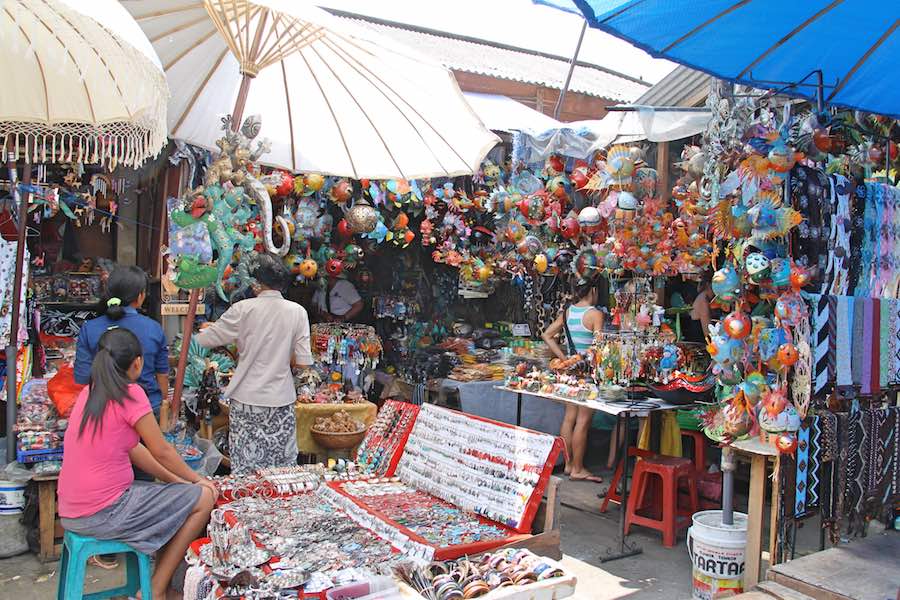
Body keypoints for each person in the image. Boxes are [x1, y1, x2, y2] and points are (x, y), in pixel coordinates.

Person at [58, 328, 216, 600]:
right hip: (104, 510)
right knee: (204, 498)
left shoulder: (91, 391)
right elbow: (162, 450)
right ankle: (156, 589)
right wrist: (197, 480)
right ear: (138, 363)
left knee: (184, 497)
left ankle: (160, 585)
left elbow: (135, 449)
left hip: (73, 510)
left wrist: (178, 481)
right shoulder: (130, 393)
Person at [195, 255, 313, 474]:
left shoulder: (243, 309)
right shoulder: (298, 312)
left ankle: (245, 507)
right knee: (281, 471)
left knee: (247, 470)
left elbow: (205, 340)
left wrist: (212, 328)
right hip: (281, 399)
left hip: (247, 399)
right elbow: (303, 363)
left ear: (256, 282)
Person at [75, 266, 169, 420]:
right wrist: (164, 407)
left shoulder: (89, 329)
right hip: (148, 408)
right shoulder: (154, 328)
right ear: (140, 296)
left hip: (103, 412)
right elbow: (162, 375)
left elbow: (83, 378)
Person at [541, 276, 606, 483]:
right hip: (586, 374)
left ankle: (568, 465)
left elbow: (547, 334)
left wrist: (565, 359)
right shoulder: (595, 314)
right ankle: (578, 468)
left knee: (569, 418)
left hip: (570, 375)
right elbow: (598, 347)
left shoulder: (568, 311)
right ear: (593, 290)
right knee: (583, 421)